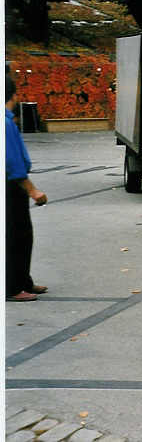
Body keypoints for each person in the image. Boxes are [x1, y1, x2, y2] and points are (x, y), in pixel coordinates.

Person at [6, 75, 48, 301]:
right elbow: (12, 163)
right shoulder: (4, 123)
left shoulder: (7, 120)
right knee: (16, 237)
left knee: (21, 235)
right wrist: (33, 190)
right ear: (14, 95)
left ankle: (23, 280)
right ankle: (12, 287)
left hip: (12, 185)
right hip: (12, 186)